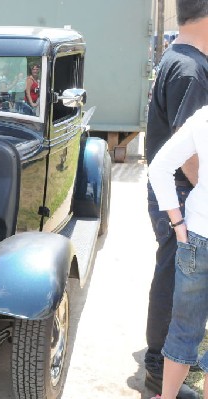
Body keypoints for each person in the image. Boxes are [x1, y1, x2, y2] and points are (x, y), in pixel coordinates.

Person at [144, 1, 208, 398]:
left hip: (176, 196)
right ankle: (159, 369)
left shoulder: (178, 58)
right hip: (182, 199)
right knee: (176, 281)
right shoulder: (192, 70)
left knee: (172, 276)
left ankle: (161, 366)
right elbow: (189, 155)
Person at [147, 105, 208, 399]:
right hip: (194, 235)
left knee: (183, 328)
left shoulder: (203, 118)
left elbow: (158, 167)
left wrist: (179, 224)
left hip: (195, 235)